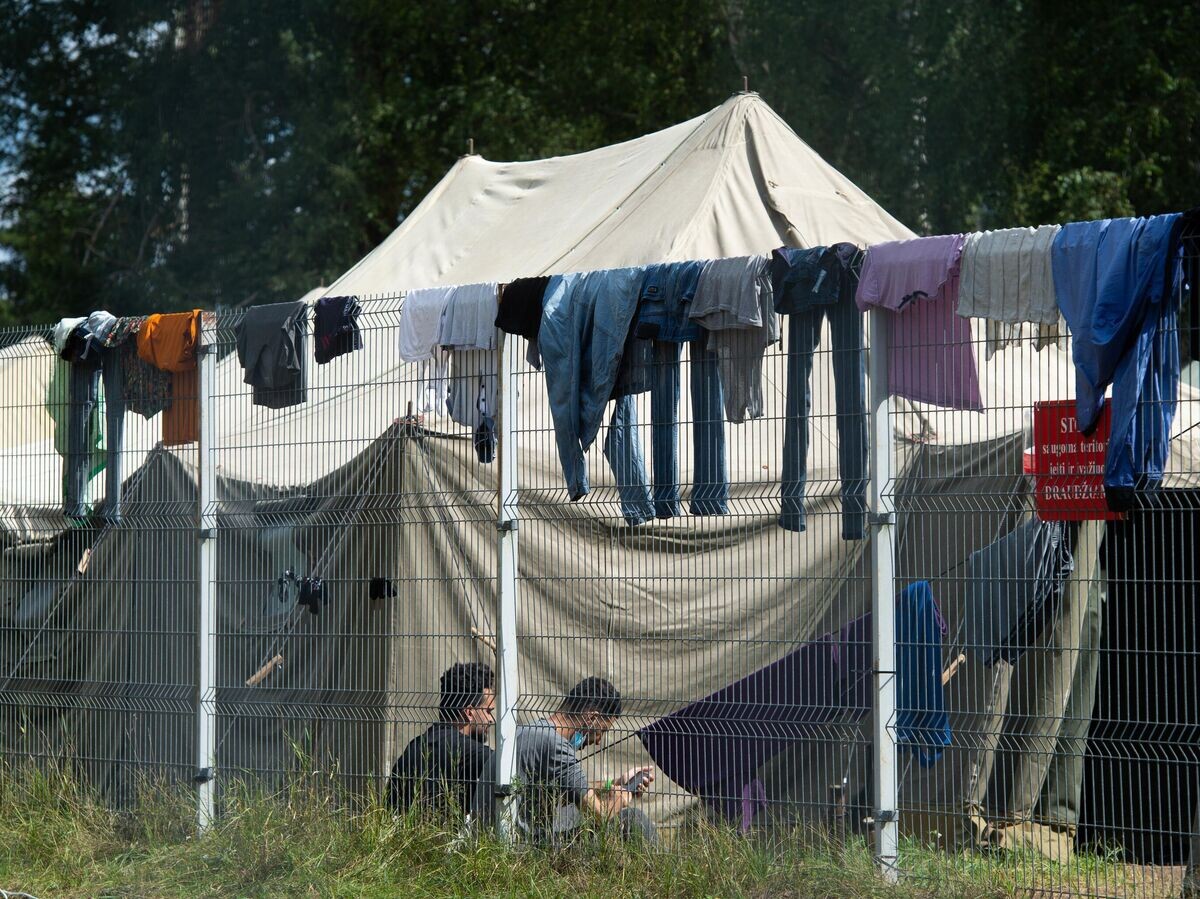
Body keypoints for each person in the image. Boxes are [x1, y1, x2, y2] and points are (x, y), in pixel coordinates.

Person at [471, 676, 657, 846]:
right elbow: (599, 815)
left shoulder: (528, 731)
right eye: (602, 732)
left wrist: (616, 783)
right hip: (521, 846)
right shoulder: (556, 747)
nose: (598, 741)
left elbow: (566, 793)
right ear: (591, 718)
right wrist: (620, 798)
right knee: (631, 818)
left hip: (491, 838)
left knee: (574, 812)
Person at [389, 661, 495, 818]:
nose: (491, 719)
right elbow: (510, 773)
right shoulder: (473, 753)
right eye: (488, 711)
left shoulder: (415, 746)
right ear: (469, 712)